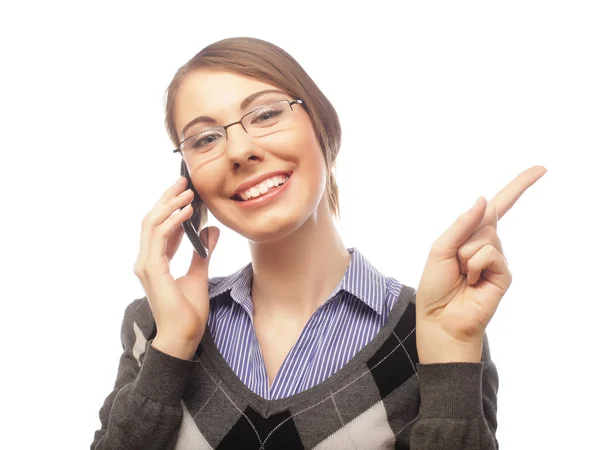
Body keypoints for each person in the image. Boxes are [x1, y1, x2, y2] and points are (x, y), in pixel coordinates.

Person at [91, 37, 545, 449]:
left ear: (322, 126)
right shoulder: (155, 325)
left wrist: (447, 354)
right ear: (189, 180)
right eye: (205, 138)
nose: (238, 151)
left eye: (266, 114)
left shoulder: (437, 331)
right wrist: (172, 345)